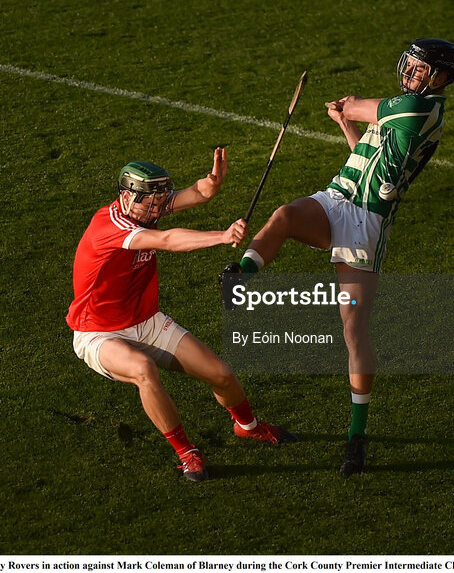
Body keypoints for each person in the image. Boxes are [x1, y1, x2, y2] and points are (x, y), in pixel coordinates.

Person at [221, 39, 454, 476]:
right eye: (410, 65)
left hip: (366, 223)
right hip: (337, 198)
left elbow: (357, 106)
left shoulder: (422, 111)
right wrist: (343, 124)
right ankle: (240, 276)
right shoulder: (400, 107)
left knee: (353, 332)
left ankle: (357, 436)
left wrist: (347, 108)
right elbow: (363, 152)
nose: (411, 74)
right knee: (285, 215)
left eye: (422, 69)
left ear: (443, 79)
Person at [67, 148, 295, 483]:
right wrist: (221, 236)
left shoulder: (143, 210)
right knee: (144, 371)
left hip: (146, 321)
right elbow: (168, 240)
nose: (158, 206)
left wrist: (211, 184)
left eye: (160, 200)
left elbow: (196, 194)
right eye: (152, 201)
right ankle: (186, 452)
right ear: (128, 197)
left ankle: (248, 427)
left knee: (220, 373)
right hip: (98, 333)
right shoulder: (112, 226)